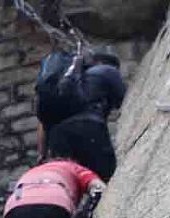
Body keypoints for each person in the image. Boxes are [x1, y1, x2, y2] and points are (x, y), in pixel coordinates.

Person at [35, 46, 128, 180]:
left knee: (74, 182)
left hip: (57, 137)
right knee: (105, 181)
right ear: (103, 62)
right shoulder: (108, 70)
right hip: (88, 129)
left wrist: (42, 155)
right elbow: (126, 100)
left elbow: (42, 123)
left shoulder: (64, 85)